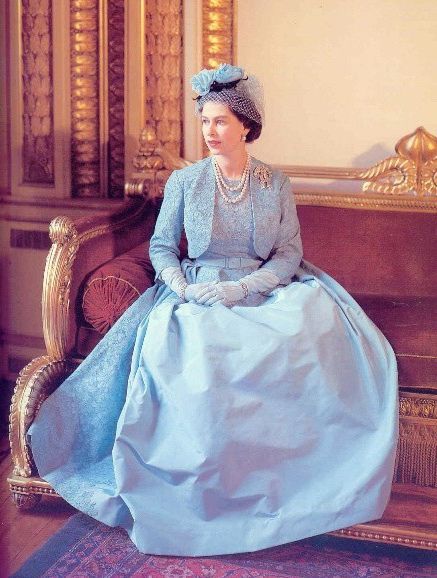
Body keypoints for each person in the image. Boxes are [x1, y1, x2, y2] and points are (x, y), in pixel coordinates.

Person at [29, 64, 398, 557]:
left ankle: (291, 485)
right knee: (196, 351)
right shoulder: (186, 182)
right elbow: (162, 246)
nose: (209, 132)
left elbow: (288, 253)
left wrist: (249, 285)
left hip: (265, 287)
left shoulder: (275, 183)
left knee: (305, 332)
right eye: (204, 122)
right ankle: (199, 492)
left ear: (246, 125)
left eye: (220, 121)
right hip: (196, 290)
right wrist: (181, 286)